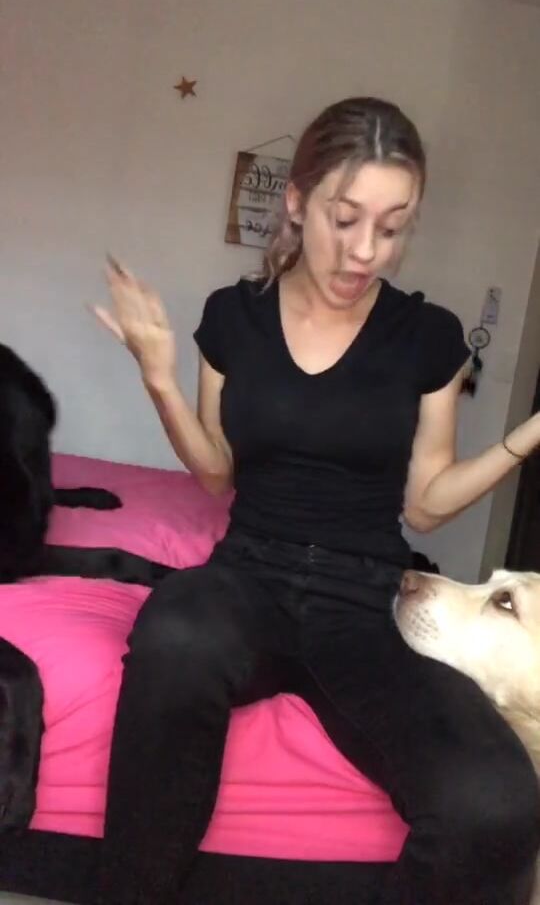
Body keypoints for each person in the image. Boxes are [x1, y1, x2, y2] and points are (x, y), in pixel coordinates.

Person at [92, 97, 540, 905]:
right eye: (346, 218)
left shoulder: (428, 336)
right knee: (176, 634)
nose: (367, 250)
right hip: (248, 578)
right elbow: (217, 473)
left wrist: (526, 435)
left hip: (367, 602)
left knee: (498, 804)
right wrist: (159, 377)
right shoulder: (233, 318)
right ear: (298, 203)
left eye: (393, 227)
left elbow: (427, 506)